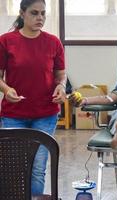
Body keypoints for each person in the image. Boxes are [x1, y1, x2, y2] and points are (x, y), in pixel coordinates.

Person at [0, 0, 66, 195]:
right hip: (13, 114)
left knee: (37, 168)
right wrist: (6, 89)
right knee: (13, 168)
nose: (40, 18)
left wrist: (61, 87)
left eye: (43, 13)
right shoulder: (6, 41)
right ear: (22, 13)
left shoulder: (53, 42)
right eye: (34, 13)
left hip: (45, 115)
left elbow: (60, 75)